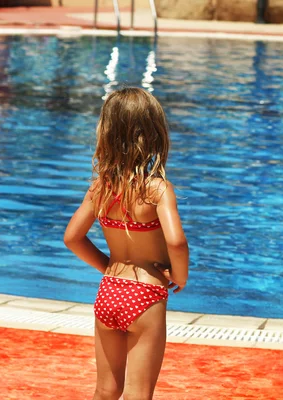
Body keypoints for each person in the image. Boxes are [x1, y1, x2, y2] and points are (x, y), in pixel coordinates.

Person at [64, 87, 189, 400]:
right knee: (138, 393)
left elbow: (72, 238)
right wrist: (180, 276)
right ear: (155, 134)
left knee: (106, 390)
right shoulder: (158, 189)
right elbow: (176, 241)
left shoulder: (100, 188)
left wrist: (108, 266)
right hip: (145, 294)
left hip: (108, 291)